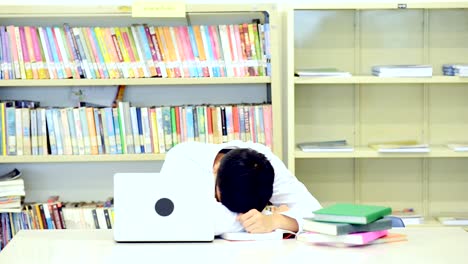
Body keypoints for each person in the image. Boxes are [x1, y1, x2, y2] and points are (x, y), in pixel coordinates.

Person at [160, 141, 321, 235]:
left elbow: (316, 214)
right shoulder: (182, 158)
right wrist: (266, 214)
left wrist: (277, 220)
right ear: (215, 168)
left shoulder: (263, 164)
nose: (242, 216)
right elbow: (176, 221)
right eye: (219, 199)